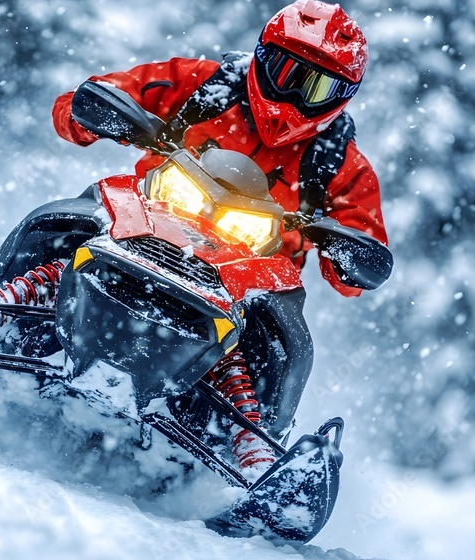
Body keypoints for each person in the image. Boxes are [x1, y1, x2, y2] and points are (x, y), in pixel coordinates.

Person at [51, 0, 389, 474]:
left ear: (341, 96)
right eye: (284, 70)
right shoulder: (202, 85)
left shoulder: (338, 165)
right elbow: (80, 105)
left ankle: (257, 461)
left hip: (248, 276)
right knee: (68, 225)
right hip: (148, 217)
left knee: (283, 340)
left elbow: (358, 268)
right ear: (260, 56)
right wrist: (99, 114)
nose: (293, 96)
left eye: (315, 86)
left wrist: (344, 247)